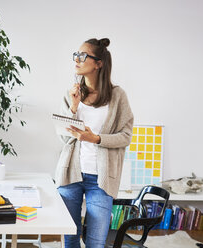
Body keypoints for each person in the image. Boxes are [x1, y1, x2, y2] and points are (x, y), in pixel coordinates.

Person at [55, 38, 134, 248]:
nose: (77, 60)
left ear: (99, 63)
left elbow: (126, 136)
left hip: (101, 179)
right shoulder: (71, 94)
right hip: (70, 174)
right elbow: (63, 137)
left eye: (82, 56)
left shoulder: (117, 96)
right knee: (70, 237)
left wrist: (96, 139)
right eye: (76, 55)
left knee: (96, 242)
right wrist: (73, 107)